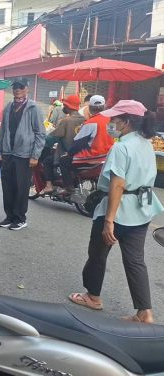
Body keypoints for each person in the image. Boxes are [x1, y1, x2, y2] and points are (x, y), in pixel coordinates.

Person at [69, 100, 164, 324]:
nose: (111, 122)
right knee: (135, 261)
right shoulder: (145, 143)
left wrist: (109, 220)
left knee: (97, 254)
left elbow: (117, 185)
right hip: (141, 210)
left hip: (116, 210)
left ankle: (92, 296)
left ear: (126, 122)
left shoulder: (121, 147)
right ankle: (144, 312)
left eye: (115, 119)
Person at [0, 77, 45, 231]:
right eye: (15, 87)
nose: (17, 89)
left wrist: (35, 155)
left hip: (24, 155)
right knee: (8, 186)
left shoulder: (33, 108)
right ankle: (9, 216)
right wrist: (1, 150)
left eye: (21, 87)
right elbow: (3, 130)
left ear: (27, 89)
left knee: (21, 187)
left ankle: (20, 218)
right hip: (8, 153)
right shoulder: (8, 107)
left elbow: (40, 133)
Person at [60, 95, 114, 190]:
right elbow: (114, 137)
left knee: (63, 161)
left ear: (89, 107)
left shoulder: (91, 122)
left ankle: (69, 187)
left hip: (92, 157)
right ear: (104, 107)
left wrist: (68, 153)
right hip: (107, 157)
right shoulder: (111, 121)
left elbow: (79, 143)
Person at [40, 94, 85, 194]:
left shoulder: (66, 121)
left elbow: (53, 138)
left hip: (66, 153)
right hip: (82, 155)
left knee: (47, 161)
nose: (63, 107)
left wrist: (43, 142)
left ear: (68, 107)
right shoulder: (85, 120)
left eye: (64, 105)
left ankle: (49, 185)